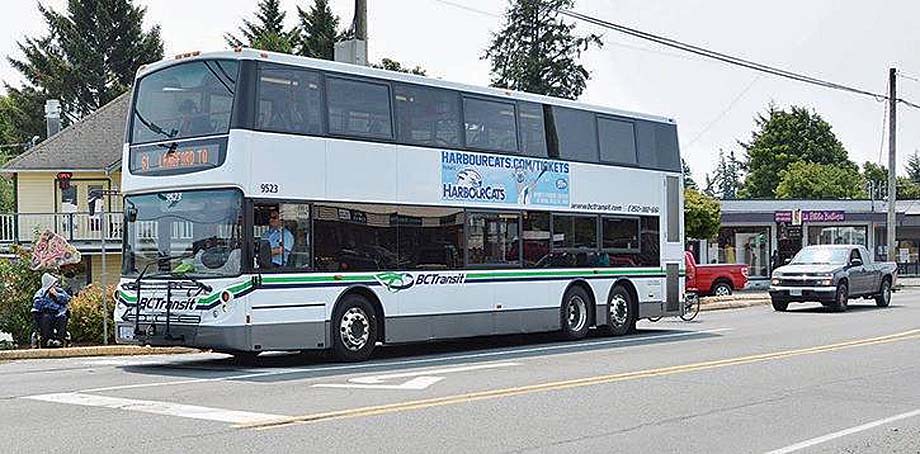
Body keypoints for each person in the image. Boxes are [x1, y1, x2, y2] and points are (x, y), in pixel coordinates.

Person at [32, 273, 70, 348]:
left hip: (58, 313)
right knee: (47, 318)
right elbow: (38, 303)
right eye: (53, 283)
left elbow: (67, 299)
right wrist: (55, 306)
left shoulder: (59, 291)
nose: (55, 285)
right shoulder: (41, 293)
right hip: (45, 313)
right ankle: (48, 339)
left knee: (62, 317)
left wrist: (56, 294)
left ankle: (59, 339)